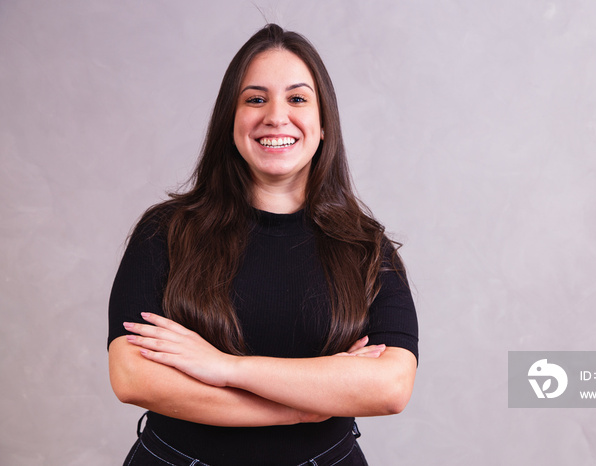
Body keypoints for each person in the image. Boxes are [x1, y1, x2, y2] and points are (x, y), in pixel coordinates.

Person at [108, 23, 418, 466]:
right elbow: (133, 377)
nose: (276, 116)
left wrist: (225, 367)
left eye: (297, 98)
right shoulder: (165, 232)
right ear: (230, 121)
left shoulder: (367, 248)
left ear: (323, 122)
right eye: (255, 99)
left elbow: (389, 387)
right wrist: (306, 405)